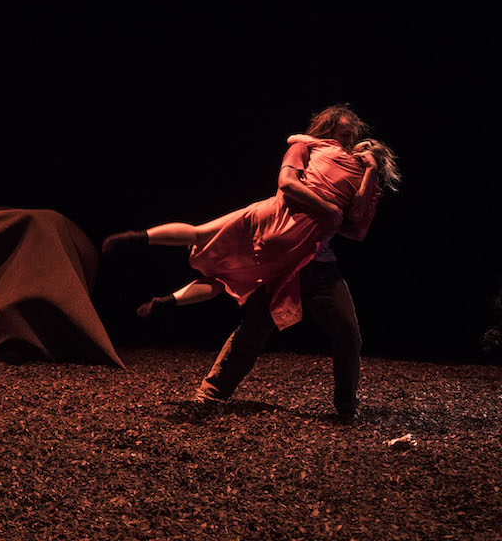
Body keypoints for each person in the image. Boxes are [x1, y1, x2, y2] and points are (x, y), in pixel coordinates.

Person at [104, 105, 400, 421]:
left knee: (346, 331)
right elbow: (287, 186)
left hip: (315, 261)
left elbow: (355, 227)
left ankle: (345, 408)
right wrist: (327, 208)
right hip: (274, 246)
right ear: (328, 129)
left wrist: (362, 179)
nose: (351, 137)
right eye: (343, 131)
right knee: (249, 324)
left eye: (353, 134)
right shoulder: (310, 147)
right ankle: (210, 394)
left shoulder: (362, 176)